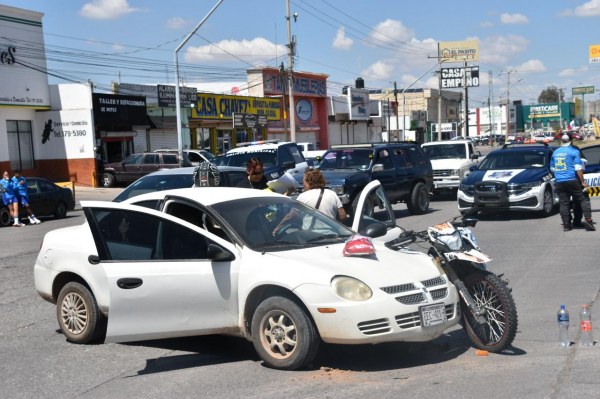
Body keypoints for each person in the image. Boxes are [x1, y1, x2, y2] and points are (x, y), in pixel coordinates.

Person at [550, 133, 595, 232]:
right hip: (572, 179)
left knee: (564, 204)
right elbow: (578, 168)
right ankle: (588, 220)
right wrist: (583, 181)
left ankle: (566, 225)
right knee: (584, 199)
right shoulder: (574, 151)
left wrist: (560, 174)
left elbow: (552, 168)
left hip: (560, 181)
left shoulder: (555, 152)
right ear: (571, 141)